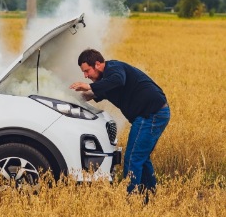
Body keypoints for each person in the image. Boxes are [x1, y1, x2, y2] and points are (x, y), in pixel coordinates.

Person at [69, 48, 170, 199]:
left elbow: (118, 80)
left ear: (97, 64)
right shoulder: (104, 82)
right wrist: (69, 97)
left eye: (87, 71)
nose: (86, 76)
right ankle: (149, 195)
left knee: (132, 158)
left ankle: (132, 200)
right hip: (150, 115)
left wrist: (89, 86)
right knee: (141, 157)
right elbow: (92, 94)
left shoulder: (114, 69)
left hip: (151, 114)